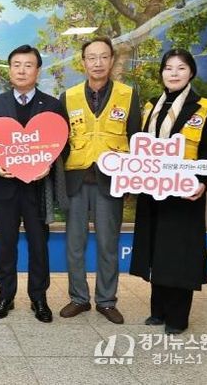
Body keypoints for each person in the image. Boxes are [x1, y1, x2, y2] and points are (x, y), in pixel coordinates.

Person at [130, 49, 207, 334]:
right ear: (162, 73)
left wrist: (203, 182)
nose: (174, 73)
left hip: (183, 193)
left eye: (181, 68)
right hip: (153, 191)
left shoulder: (203, 108)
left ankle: (177, 318)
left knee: (178, 254)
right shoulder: (151, 106)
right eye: (168, 68)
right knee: (157, 251)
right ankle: (158, 311)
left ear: (191, 72)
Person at [0, 45, 67, 323]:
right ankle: (5, 296)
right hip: (4, 188)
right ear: (9, 70)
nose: (21, 70)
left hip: (38, 190)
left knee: (39, 245)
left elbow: (63, 144)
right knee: (6, 244)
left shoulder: (52, 105)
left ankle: (39, 298)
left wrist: (47, 164)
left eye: (28, 65)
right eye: (16, 65)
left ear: (37, 70)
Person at [59, 37, 141, 324]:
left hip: (112, 182)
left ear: (112, 60)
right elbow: (61, 143)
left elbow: (135, 139)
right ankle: (78, 298)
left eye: (103, 57)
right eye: (91, 57)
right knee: (75, 244)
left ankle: (106, 301)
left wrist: (130, 181)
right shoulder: (68, 97)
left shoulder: (128, 95)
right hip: (76, 180)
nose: (97, 63)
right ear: (83, 62)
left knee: (108, 244)